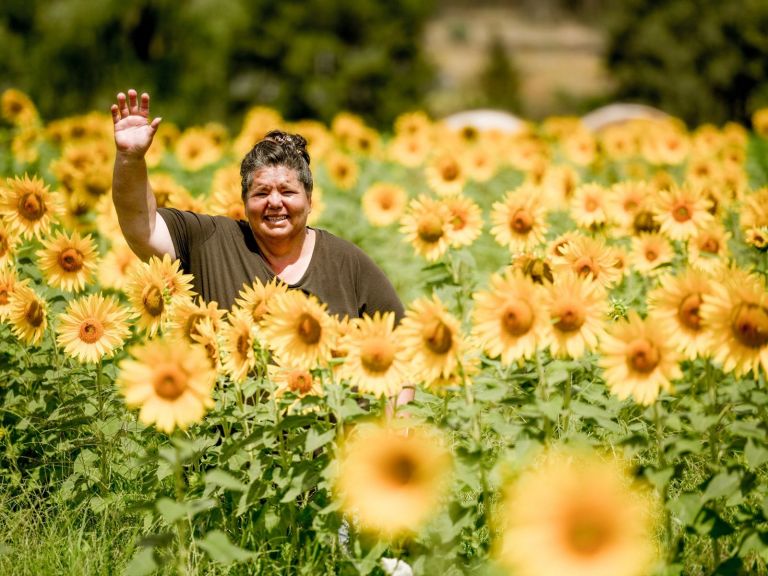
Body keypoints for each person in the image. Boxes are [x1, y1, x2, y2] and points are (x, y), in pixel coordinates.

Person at [111, 89, 413, 407]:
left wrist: (394, 430)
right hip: (229, 449)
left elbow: (405, 353)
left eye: (287, 191)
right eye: (261, 192)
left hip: (333, 450)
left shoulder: (346, 263)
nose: (274, 202)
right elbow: (141, 225)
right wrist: (130, 158)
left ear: (309, 200)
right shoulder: (210, 240)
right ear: (244, 202)